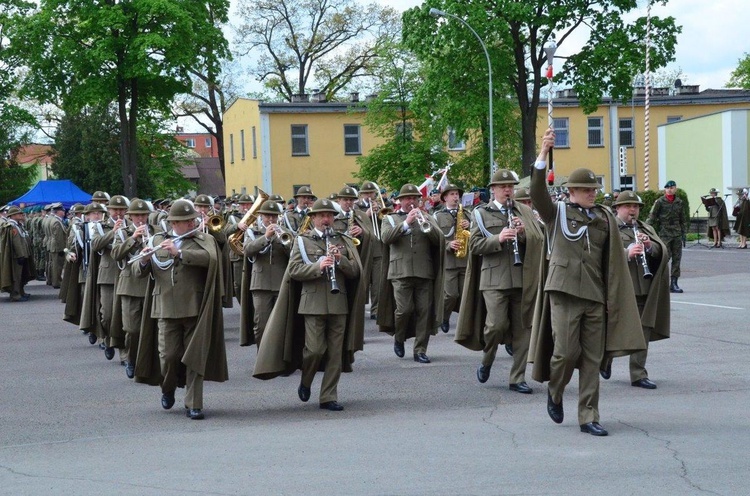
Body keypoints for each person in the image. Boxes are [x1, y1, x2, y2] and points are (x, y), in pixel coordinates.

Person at [529, 128, 645, 437]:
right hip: (564, 291)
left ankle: (588, 415)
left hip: (595, 294)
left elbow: (611, 258)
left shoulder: (603, 217)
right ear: (572, 191)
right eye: (585, 189)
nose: (592, 193)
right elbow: (538, 193)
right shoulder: (557, 213)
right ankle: (555, 390)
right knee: (565, 353)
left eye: (593, 189)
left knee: (593, 358)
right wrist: (543, 153)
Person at [253, 198, 365, 412]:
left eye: (330, 215)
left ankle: (328, 396)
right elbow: (294, 270)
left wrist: (340, 260)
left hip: (338, 303)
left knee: (335, 353)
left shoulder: (343, 240)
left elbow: (355, 272)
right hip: (312, 303)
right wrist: (317, 266)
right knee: (314, 350)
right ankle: (306, 380)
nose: (326, 219)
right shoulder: (302, 241)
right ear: (313, 218)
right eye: (322, 215)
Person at [133, 199, 228, 420]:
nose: (193, 222)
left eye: (192, 219)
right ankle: (168, 387)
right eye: (187, 221)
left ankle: (194, 404)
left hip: (194, 308)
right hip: (165, 308)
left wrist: (180, 253)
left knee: (195, 357)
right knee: (169, 356)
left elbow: (211, 260)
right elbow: (139, 272)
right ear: (174, 222)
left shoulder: (203, 239)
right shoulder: (158, 239)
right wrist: (145, 260)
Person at [455, 171, 544, 394]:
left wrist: (523, 233)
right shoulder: (481, 213)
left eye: (510, 186)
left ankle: (517, 378)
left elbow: (540, 238)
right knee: (495, 326)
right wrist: (498, 239)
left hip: (522, 278)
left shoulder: (523, 211)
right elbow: (474, 245)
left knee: (523, 329)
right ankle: (487, 359)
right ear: (492, 189)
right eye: (502, 186)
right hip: (494, 279)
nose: (507, 190)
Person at [600, 191, 670, 389]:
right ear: (618, 208)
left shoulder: (644, 227)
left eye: (636, 206)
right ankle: (606, 360)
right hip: (619, 288)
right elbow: (601, 255)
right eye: (628, 206)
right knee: (612, 327)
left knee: (643, 330)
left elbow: (661, 251)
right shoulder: (607, 228)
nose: (633, 210)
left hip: (642, 287)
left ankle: (638, 373)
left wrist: (649, 246)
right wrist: (626, 253)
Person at [378, 184, 444, 364]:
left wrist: (427, 224)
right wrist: (406, 223)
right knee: (404, 310)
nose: (411, 201)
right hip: (400, 272)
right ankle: (399, 337)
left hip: (424, 271)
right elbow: (386, 238)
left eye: (414, 198)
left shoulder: (428, 217)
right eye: (407, 198)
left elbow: (439, 241)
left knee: (424, 311)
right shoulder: (390, 219)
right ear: (400, 201)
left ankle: (420, 350)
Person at [111, 199, 154, 379]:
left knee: (153, 328)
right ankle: (130, 357)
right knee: (132, 328)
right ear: (130, 217)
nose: (140, 219)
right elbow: (115, 254)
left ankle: (149, 362)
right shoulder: (122, 232)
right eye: (137, 215)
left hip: (151, 286)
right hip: (130, 286)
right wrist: (133, 238)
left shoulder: (157, 232)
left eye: (143, 215)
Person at [239, 201, 292, 348]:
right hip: (260, 284)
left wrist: (284, 242)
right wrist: (266, 237)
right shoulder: (252, 231)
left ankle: (279, 360)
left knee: (281, 325)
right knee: (261, 324)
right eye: (267, 215)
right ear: (261, 216)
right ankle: (262, 358)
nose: (271, 219)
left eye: (274, 216)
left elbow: (293, 253)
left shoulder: (285, 231)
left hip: (281, 282)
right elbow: (248, 250)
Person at [434, 184, 469, 333]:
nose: (456, 197)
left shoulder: (467, 213)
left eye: (457, 194)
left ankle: (463, 325)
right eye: (452, 194)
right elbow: (435, 236)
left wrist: (470, 224)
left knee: (464, 297)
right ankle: (445, 317)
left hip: (465, 259)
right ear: (445, 198)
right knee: (450, 295)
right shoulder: (438, 215)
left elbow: (477, 232)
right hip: (448, 261)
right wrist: (448, 244)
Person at [647, 180, 686, 293]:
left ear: (675, 189)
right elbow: (652, 216)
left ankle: (674, 283)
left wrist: (684, 233)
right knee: (665, 257)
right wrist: (646, 228)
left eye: (672, 188)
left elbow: (683, 219)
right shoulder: (660, 202)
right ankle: (658, 281)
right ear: (665, 189)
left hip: (677, 233)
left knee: (677, 259)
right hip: (665, 233)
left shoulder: (679, 202)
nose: (670, 189)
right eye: (668, 188)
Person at [355, 181, 386, 320]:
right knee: (363, 282)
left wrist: (380, 211)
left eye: (371, 193)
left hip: (378, 249)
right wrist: (366, 214)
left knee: (378, 282)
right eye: (366, 193)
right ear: (361, 195)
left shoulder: (379, 206)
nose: (369, 196)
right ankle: (359, 308)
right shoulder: (356, 208)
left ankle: (376, 309)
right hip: (363, 249)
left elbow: (387, 221)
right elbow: (354, 225)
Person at [0, 206, 35, 302]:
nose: (21, 215)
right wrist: (20, 255)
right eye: (19, 214)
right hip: (17, 256)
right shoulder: (11, 226)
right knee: (16, 276)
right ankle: (15, 294)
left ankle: (20, 291)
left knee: (22, 275)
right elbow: (16, 243)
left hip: (23, 254)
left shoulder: (18, 225)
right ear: (13, 215)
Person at [46, 203, 68, 289]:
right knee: (57, 266)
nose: (64, 212)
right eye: (62, 211)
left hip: (52, 244)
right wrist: (62, 249)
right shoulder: (56, 221)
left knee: (53, 265)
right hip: (56, 246)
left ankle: (53, 280)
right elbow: (58, 237)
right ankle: (57, 282)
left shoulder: (52, 219)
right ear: (58, 212)